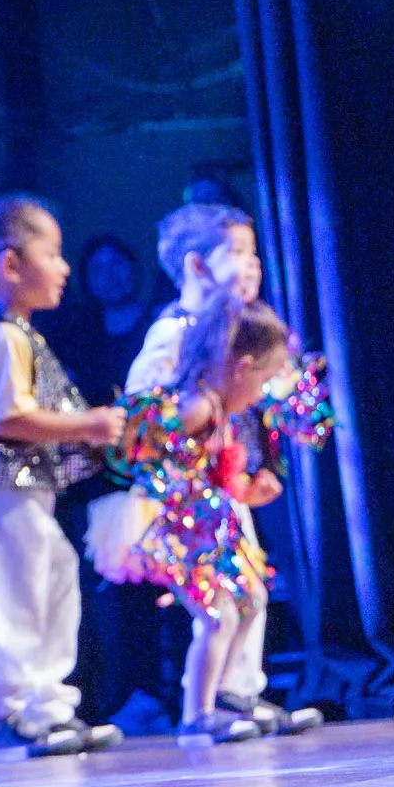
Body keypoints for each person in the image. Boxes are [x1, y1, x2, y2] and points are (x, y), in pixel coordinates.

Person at [121, 202, 320, 736]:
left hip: (225, 488)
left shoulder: (241, 331)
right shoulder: (176, 332)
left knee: (250, 590)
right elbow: (147, 416)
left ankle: (238, 693)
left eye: (254, 253)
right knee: (222, 604)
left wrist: (260, 467)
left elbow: (259, 407)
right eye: (236, 253)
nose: (252, 265)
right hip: (190, 497)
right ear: (197, 266)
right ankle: (210, 703)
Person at [0, 197, 127, 761]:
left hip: (22, 488)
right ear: (10, 265)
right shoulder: (1, 336)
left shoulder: (19, 332)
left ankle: (47, 705)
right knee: (11, 595)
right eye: (52, 253)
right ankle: (6, 711)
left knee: (51, 582)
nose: (65, 267)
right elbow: (8, 416)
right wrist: (88, 424)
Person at [88, 297, 297, 743]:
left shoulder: (218, 407)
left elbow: (209, 474)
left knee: (252, 597)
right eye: (261, 382)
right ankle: (195, 715)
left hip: (207, 529)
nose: (261, 396)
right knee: (218, 614)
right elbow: (154, 456)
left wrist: (240, 489)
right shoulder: (197, 406)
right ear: (241, 367)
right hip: (181, 533)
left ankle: (224, 698)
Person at [46, 232, 157, 411]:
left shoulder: (159, 324)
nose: (109, 276)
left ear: (133, 267)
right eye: (97, 268)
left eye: (117, 263)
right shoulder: (76, 335)